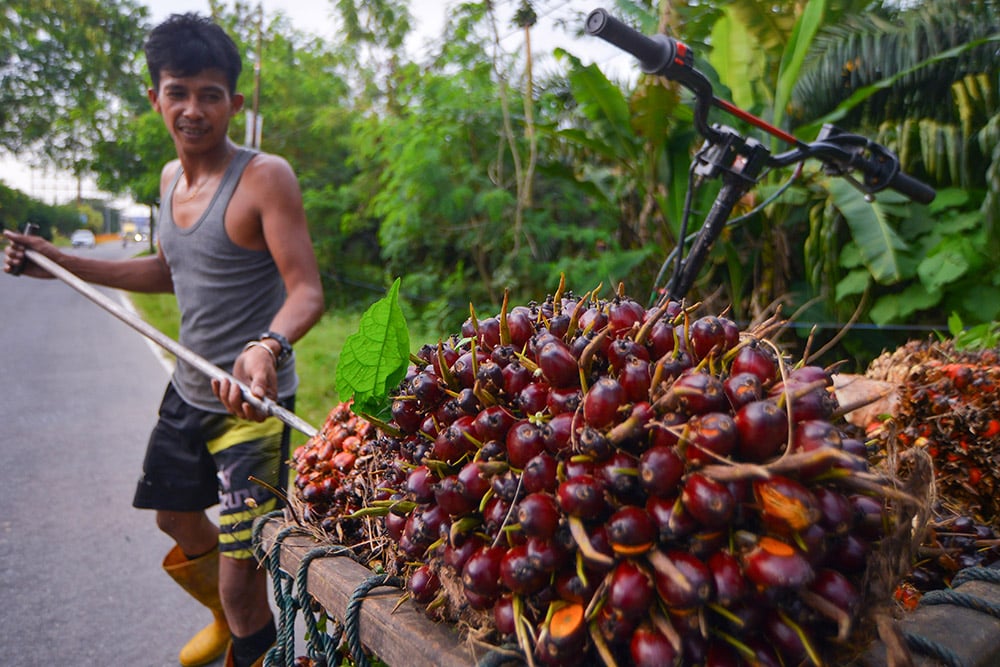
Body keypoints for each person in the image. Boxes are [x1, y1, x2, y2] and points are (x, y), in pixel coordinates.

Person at [3, 13, 324, 667]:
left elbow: (307, 292)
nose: (193, 110)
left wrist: (266, 346)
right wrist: (60, 262)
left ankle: (247, 640)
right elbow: (166, 270)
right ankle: (225, 615)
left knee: (241, 581)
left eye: (210, 94)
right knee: (173, 517)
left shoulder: (266, 178)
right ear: (155, 98)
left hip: (249, 409)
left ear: (234, 103)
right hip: (187, 389)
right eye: (178, 92)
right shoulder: (168, 179)